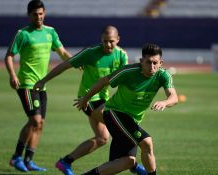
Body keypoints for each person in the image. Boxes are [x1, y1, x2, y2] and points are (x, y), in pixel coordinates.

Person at [34, 25, 146, 175]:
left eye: (111, 41)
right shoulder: (91, 52)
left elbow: (125, 79)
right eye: (105, 41)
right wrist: (43, 80)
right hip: (87, 100)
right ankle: (131, 164)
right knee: (122, 128)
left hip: (104, 100)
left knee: (102, 138)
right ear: (101, 39)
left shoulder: (121, 55)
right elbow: (65, 65)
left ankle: (65, 161)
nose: (108, 45)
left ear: (118, 39)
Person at [74, 43, 178, 175]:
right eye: (148, 62)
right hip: (114, 113)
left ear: (160, 63)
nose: (152, 67)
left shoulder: (163, 76)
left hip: (132, 120)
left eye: (155, 63)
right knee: (146, 142)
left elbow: (174, 97)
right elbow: (104, 81)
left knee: (127, 161)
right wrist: (85, 98)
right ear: (141, 61)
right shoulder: (128, 72)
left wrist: (165, 102)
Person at [4, 0, 72, 172]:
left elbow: (62, 52)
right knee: (34, 120)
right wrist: (12, 75)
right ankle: (16, 157)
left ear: (45, 13)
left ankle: (28, 160)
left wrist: (76, 62)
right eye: (35, 14)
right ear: (29, 15)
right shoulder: (23, 34)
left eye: (41, 13)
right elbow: (9, 56)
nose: (39, 17)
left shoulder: (51, 32)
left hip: (42, 85)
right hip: (26, 84)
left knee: (40, 123)